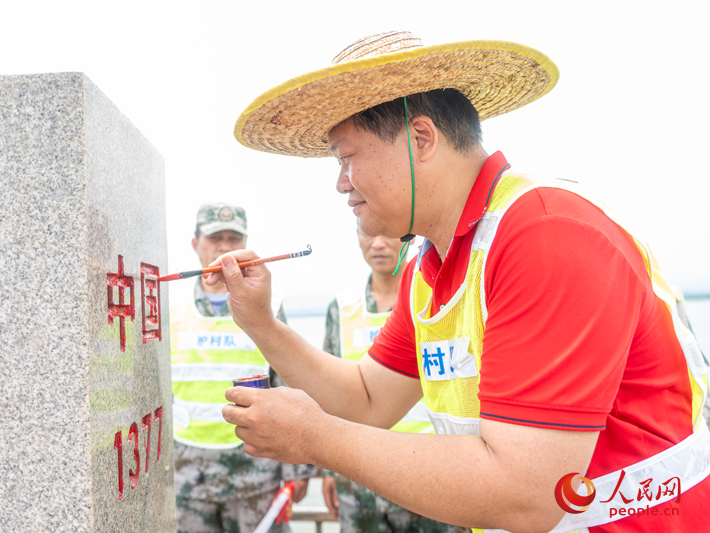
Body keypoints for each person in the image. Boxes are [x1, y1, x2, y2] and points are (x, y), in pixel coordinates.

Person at [209, 31, 710, 532]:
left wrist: (316, 438)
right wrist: (262, 323)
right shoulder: (430, 267)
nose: (340, 182)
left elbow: (528, 495)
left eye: (346, 157)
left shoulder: (546, 233)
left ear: (421, 139)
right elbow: (367, 400)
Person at [170, 203, 313, 533]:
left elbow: (291, 384)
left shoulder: (268, 306)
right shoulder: (171, 308)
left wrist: (299, 470)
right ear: (195, 244)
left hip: (255, 475)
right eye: (215, 237)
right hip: (189, 478)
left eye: (234, 238)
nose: (224, 247)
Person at [321, 229, 465, 533]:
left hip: (430, 472)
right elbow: (328, 388)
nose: (378, 243)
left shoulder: (433, 295)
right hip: (360, 474)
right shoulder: (342, 307)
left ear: (408, 238)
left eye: (388, 234)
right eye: (368, 233)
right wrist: (328, 470)